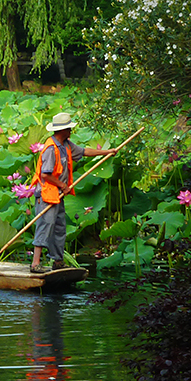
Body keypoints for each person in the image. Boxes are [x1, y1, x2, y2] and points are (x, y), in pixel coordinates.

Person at [30, 112, 117, 273]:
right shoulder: (51, 148)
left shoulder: (67, 145)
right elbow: (45, 174)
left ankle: (57, 261)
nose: (71, 131)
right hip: (47, 194)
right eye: (69, 128)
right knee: (45, 225)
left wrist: (107, 152)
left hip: (58, 195)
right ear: (62, 130)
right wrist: (63, 185)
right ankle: (35, 264)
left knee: (60, 227)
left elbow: (85, 152)